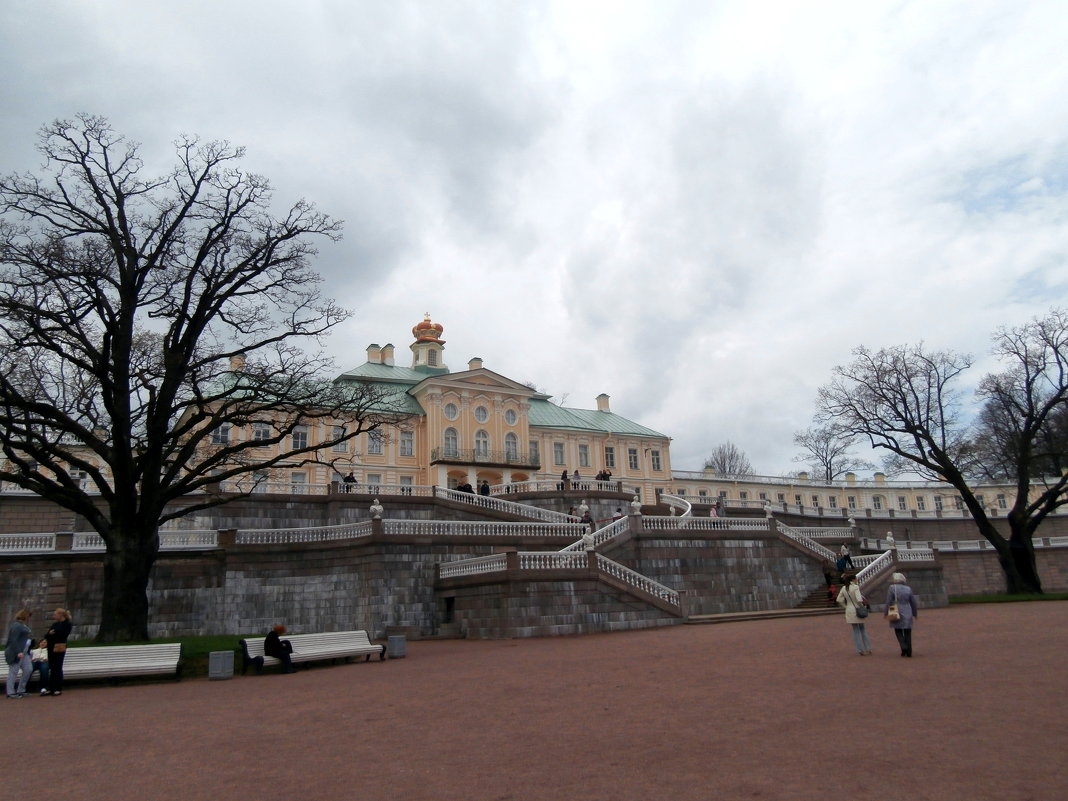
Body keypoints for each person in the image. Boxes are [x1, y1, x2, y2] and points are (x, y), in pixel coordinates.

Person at [836, 574, 872, 655]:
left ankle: (859, 650)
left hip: (849, 609)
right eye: (856, 579)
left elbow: (839, 600)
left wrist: (845, 606)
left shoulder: (844, 588)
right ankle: (868, 648)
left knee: (855, 631)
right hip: (857, 609)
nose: (857, 580)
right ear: (852, 580)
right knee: (862, 629)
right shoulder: (855, 587)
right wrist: (863, 607)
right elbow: (859, 600)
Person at [885, 572, 919, 657]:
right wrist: (915, 613)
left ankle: (903, 646)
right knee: (908, 631)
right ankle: (909, 651)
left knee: (898, 630)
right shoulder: (908, 589)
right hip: (907, 609)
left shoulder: (892, 588)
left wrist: (886, 612)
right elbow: (913, 602)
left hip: (896, 609)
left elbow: (888, 601)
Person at [42, 608, 72, 696]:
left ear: (61, 615)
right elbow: (47, 635)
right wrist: (50, 634)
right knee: (52, 667)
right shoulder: (55, 624)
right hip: (51, 647)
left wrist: (53, 633)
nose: (54, 616)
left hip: (59, 647)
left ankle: (58, 688)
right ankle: (51, 688)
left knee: (58, 667)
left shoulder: (67, 624)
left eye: (55, 614)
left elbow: (62, 634)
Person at [5, 609, 33, 699]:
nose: (29, 618)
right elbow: (13, 640)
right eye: (28, 616)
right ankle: (10, 692)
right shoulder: (16, 626)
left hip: (25, 652)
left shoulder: (24, 626)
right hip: (17, 652)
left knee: (28, 669)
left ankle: (21, 689)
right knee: (13, 672)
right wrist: (18, 651)